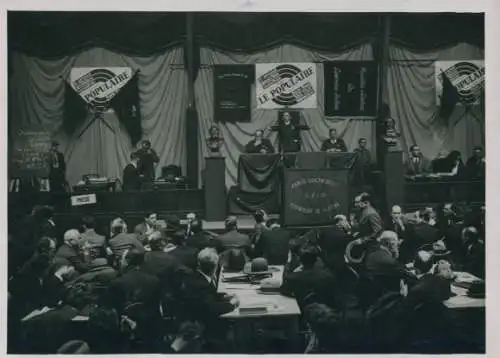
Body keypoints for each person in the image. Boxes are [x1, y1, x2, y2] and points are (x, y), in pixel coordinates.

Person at [280, 245, 337, 310]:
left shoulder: (294, 277)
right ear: (316, 259)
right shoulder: (329, 276)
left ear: (299, 259)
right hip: (328, 313)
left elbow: (283, 289)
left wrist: (288, 264)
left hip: (303, 314)